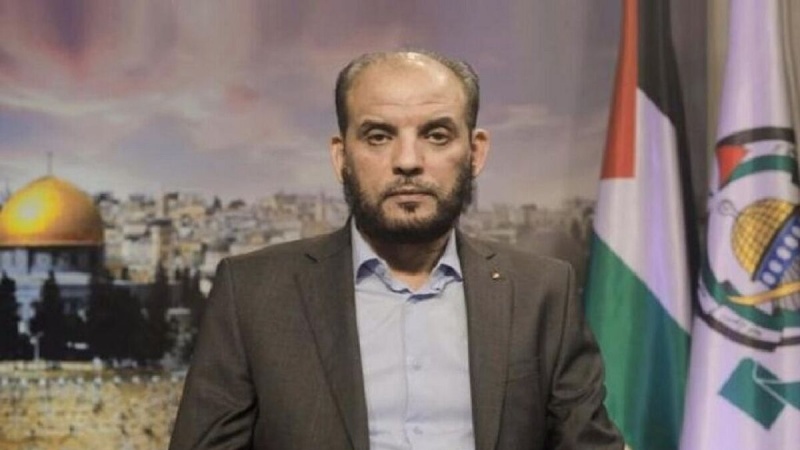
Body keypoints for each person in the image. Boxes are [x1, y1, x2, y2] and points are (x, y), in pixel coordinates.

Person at [169, 50, 623, 450]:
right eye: (379, 136)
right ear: (341, 156)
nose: (408, 161)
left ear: (475, 152)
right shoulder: (253, 293)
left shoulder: (542, 291)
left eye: (437, 135)